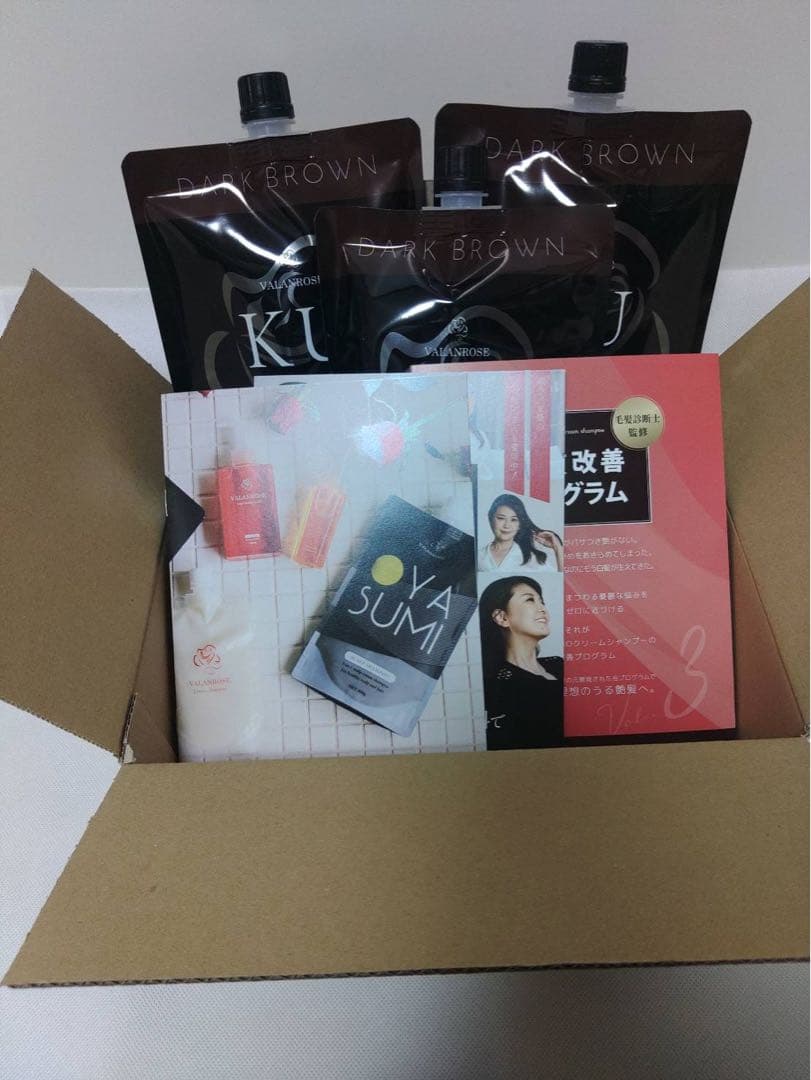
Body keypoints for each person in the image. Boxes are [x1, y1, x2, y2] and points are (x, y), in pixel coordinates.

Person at [478, 576, 564, 750]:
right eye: (530, 600)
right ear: (502, 617)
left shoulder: (559, 665)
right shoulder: (497, 685)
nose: (543, 609)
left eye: (542, 602)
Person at [478, 493, 563, 572]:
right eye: (501, 518)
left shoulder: (530, 558)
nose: (507, 525)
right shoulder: (479, 555)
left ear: (519, 525)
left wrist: (558, 548)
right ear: (491, 519)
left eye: (513, 520)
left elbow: (559, 580)